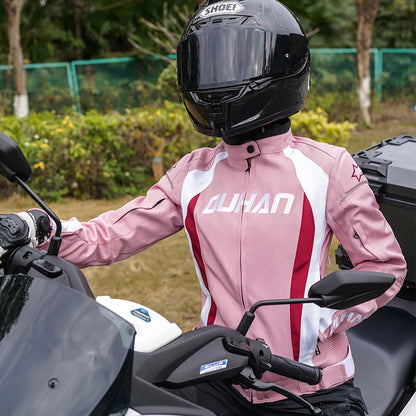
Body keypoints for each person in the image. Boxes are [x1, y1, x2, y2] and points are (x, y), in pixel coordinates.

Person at [0, 1, 406, 415]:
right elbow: (113, 234)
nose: (217, 79)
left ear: (283, 64)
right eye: (208, 64)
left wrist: (322, 322)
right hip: (219, 375)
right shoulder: (193, 173)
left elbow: (385, 267)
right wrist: (34, 229)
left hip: (310, 384)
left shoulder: (327, 167)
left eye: (236, 60)